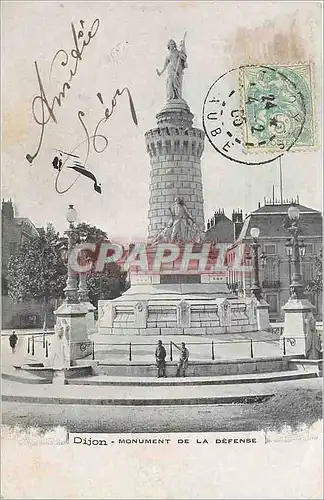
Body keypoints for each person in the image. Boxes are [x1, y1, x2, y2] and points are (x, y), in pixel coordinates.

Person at [156, 35, 187, 101]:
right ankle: (171, 97)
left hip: (177, 70)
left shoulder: (178, 52)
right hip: (170, 70)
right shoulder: (168, 55)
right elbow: (165, 65)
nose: (172, 45)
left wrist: (183, 60)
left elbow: (184, 57)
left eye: (173, 44)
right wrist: (160, 73)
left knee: (177, 84)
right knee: (170, 84)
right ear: (169, 46)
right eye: (171, 44)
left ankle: (177, 97)